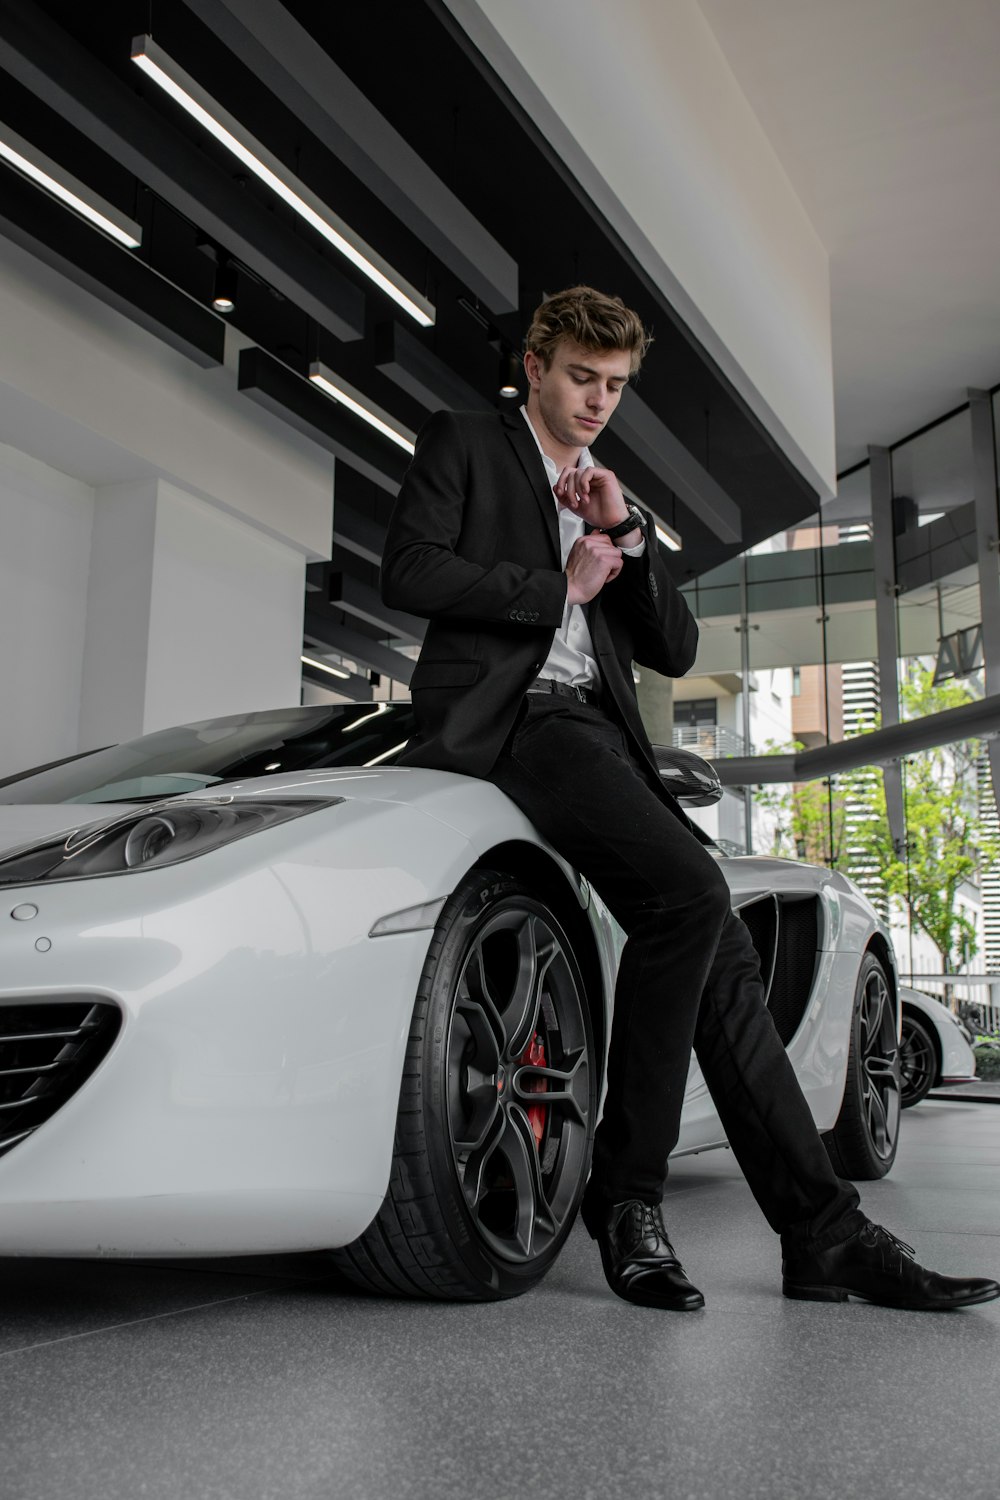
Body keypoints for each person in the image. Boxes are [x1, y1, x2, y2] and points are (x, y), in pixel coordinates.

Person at [381, 284, 999, 1313]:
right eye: (581, 378)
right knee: (688, 900)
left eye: (615, 386)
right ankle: (626, 1199)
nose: (596, 401)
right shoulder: (465, 442)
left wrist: (621, 536)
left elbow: (675, 646)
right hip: (513, 717)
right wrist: (555, 590)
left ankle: (822, 1234)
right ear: (534, 366)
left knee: (715, 954)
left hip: (599, 733)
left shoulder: (610, 495)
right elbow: (408, 569)